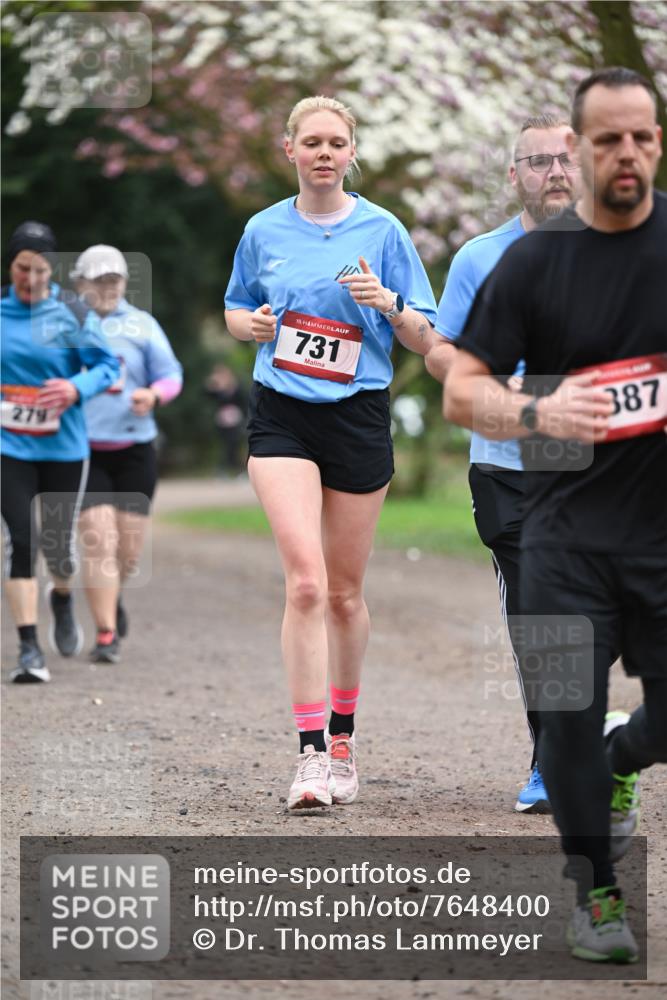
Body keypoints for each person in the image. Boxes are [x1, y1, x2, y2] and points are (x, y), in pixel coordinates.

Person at [444, 67, 666, 962]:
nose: (625, 154)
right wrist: (533, 414)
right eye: (606, 138)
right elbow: (462, 389)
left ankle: (622, 759)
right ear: (573, 152)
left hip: (660, 536)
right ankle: (596, 897)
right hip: (561, 534)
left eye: (641, 137)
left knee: (621, 732)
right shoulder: (531, 262)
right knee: (561, 716)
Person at [224, 95, 438, 810]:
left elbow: (424, 335)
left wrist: (386, 303)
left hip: (357, 416)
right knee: (306, 584)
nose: (322, 152)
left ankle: (344, 740)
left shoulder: (383, 231)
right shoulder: (262, 229)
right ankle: (309, 755)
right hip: (282, 414)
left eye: (335, 142)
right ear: (289, 150)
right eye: (310, 141)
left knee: (344, 593)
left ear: (352, 153)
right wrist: (248, 325)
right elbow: (235, 306)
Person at [425, 114, 580, 814]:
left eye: (565, 159)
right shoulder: (477, 259)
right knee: (540, 614)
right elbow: (445, 356)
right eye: (537, 160)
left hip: (606, 465)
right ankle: (553, 765)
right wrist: (499, 392)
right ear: (513, 174)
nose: (554, 172)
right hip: (508, 464)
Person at [1, 222, 119, 682]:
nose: (30, 280)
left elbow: (107, 365)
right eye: (22, 269)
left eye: (40, 270)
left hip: (63, 448)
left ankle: (63, 597)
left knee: (57, 547)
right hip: (10, 447)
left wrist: (74, 387)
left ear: (54, 270)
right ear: (12, 265)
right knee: (21, 541)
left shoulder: (71, 311)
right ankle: (29, 648)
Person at [72, 245, 183, 664]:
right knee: (99, 541)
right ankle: (104, 633)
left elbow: (171, 374)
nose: (106, 288)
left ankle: (111, 597)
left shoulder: (142, 325)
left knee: (128, 553)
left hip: (135, 449)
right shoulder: (65, 327)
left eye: (113, 280)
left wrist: (153, 394)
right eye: (98, 281)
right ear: (81, 284)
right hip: (83, 452)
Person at [204, 364, 248, 477]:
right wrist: (213, 384)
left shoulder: (236, 388)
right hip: (222, 421)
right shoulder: (217, 390)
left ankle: (239, 470)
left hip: (235, 420)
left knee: (234, 445)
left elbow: (244, 402)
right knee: (225, 446)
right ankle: (224, 469)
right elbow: (206, 395)